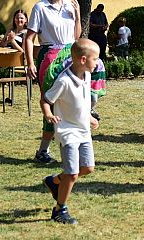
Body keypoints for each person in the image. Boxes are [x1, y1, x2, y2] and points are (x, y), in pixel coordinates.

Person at [25, 0, 106, 163]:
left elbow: (76, 37)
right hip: (50, 56)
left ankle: (90, 105)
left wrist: (77, 15)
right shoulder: (41, 7)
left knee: (99, 65)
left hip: (70, 52)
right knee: (52, 101)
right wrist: (29, 62)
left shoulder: (71, 6)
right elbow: (29, 38)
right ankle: (43, 151)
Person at [41, 39, 100, 224]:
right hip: (67, 132)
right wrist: (49, 114)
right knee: (72, 174)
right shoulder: (64, 81)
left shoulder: (87, 76)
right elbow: (46, 99)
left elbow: (81, 102)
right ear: (83, 59)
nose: (98, 62)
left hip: (83, 131)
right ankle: (60, 210)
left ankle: (55, 181)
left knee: (88, 168)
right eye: (95, 59)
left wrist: (88, 117)